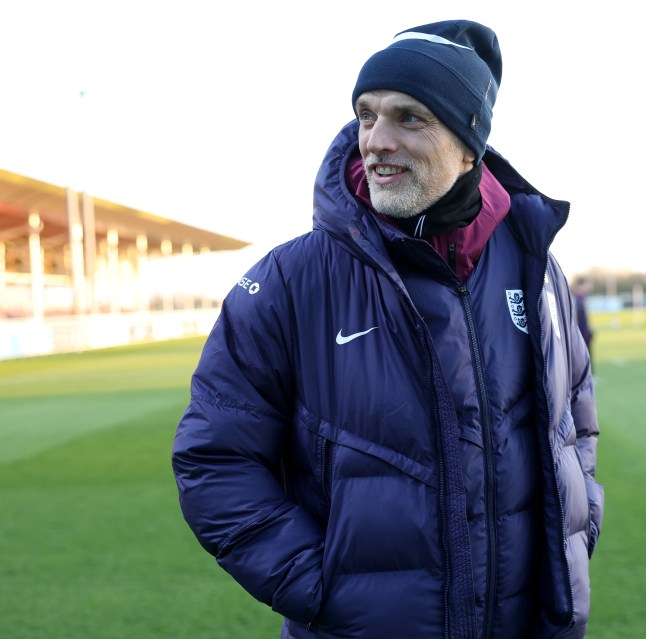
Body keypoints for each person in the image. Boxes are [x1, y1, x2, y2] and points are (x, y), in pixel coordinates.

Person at [172, 20, 603, 639]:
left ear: (468, 143)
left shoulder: (535, 266)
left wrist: (576, 536)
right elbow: (214, 458)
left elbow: (574, 423)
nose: (375, 140)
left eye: (409, 118)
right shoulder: (291, 282)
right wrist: (319, 586)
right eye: (366, 116)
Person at [574, 277, 594, 364]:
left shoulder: (582, 297)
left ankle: (590, 372)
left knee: (588, 351)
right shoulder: (578, 297)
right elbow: (576, 315)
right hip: (581, 329)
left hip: (584, 328)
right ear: (581, 285)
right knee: (584, 352)